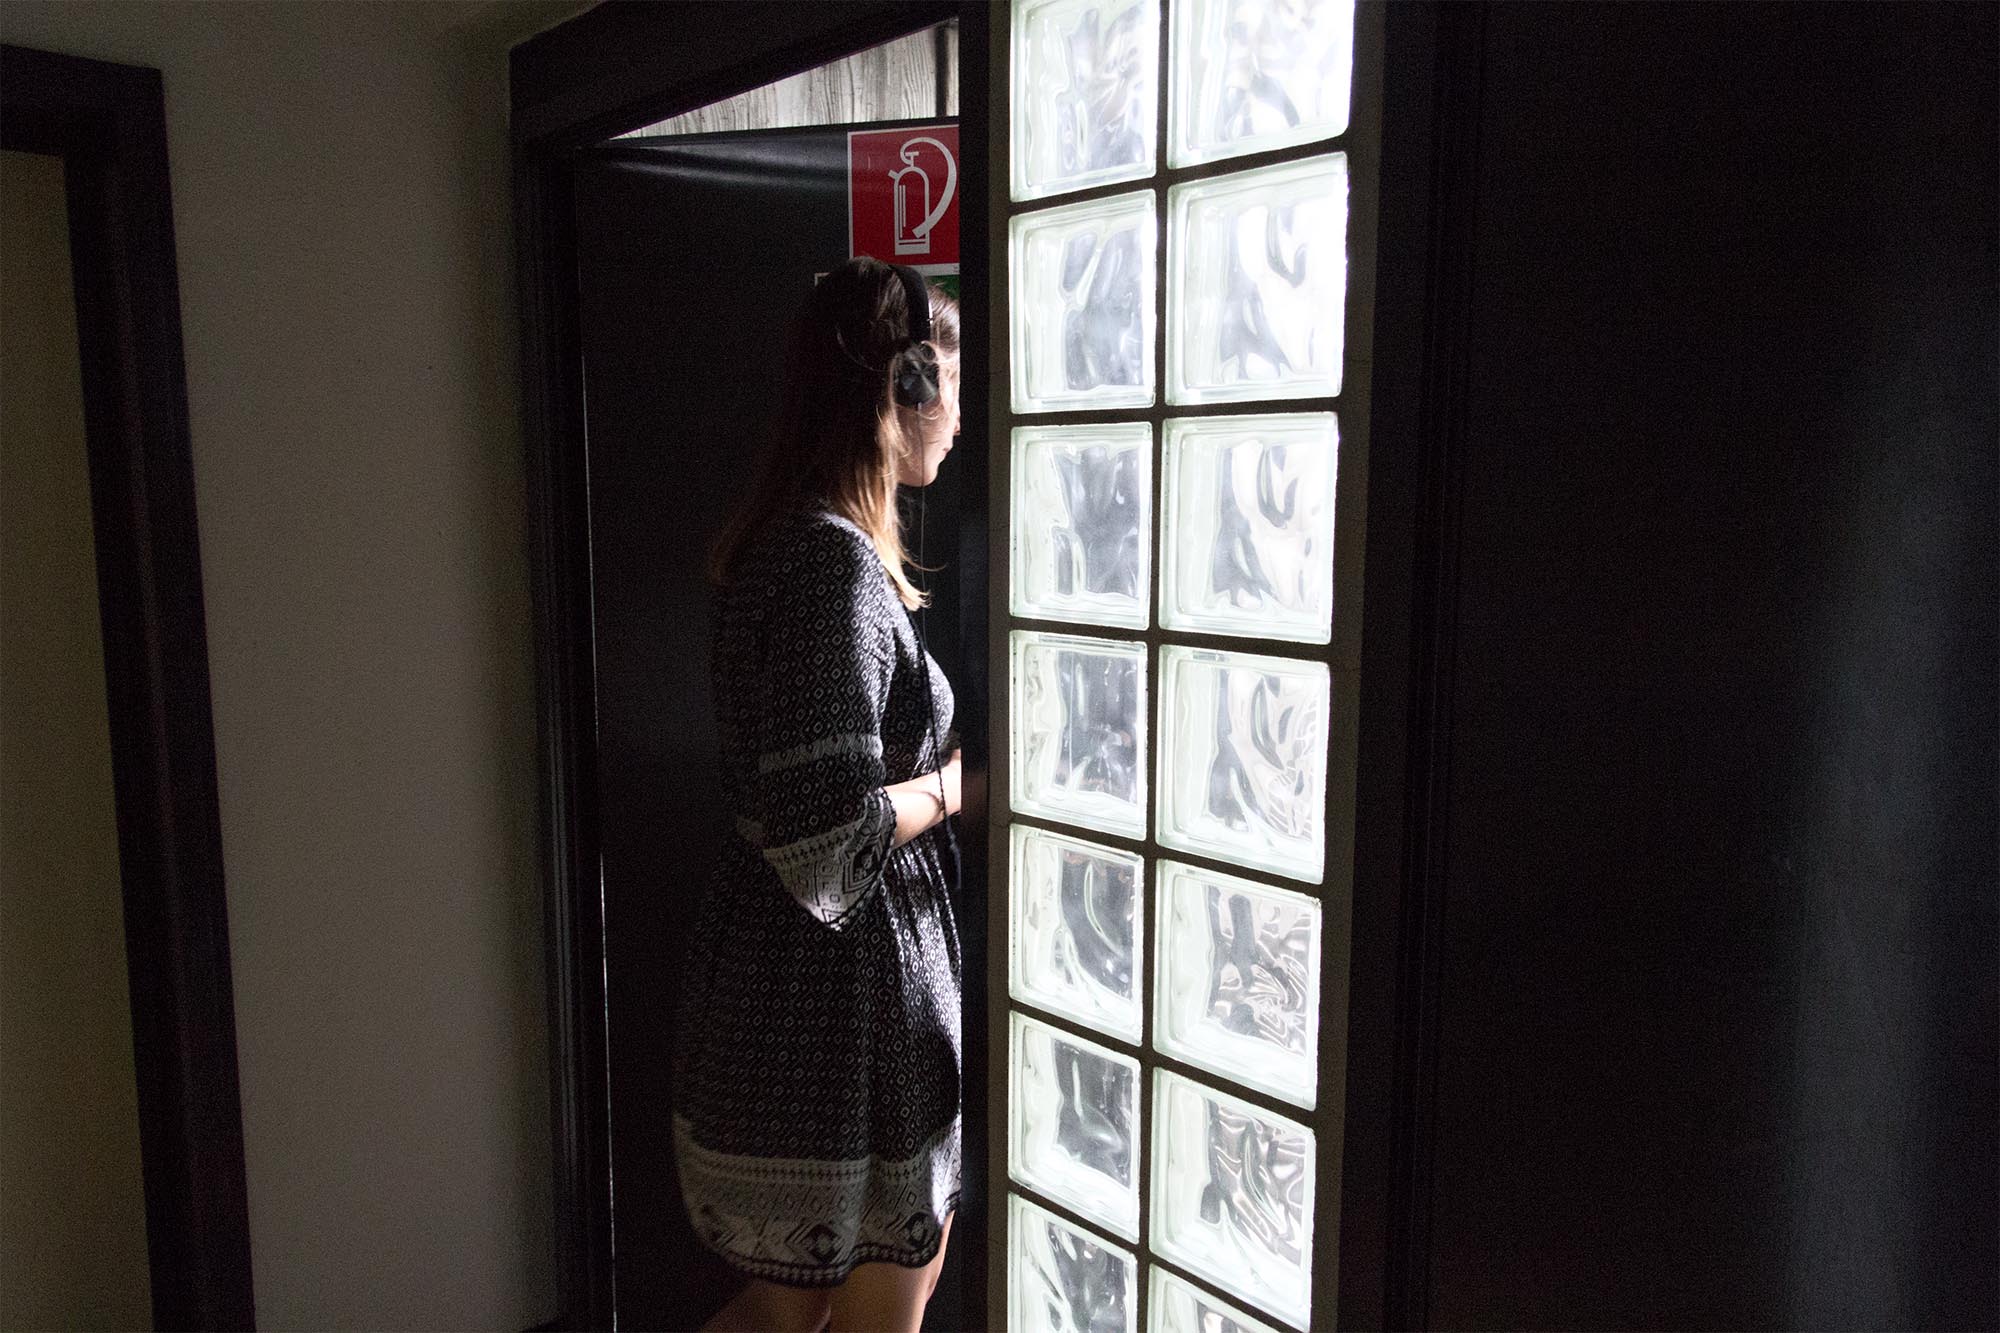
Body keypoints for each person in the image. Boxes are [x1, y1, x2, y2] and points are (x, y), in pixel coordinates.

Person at [671, 255, 965, 1333]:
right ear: (904, 387)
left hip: (794, 1002)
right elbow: (831, 845)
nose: (960, 417)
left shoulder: (791, 547)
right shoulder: (830, 569)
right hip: (833, 1022)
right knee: (854, 1316)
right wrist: (961, 787)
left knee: (783, 1317)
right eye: (951, 384)